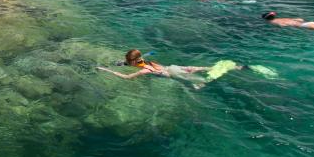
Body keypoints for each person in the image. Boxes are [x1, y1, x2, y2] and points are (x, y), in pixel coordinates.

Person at [97, 49, 277, 89]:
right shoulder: (146, 61)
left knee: (203, 82)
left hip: (174, 73)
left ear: (132, 61)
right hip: (175, 67)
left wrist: (107, 70)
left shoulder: (145, 70)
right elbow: (130, 63)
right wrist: (121, 63)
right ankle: (239, 67)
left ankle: (218, 74)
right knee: (205, 68)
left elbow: (125, 77)